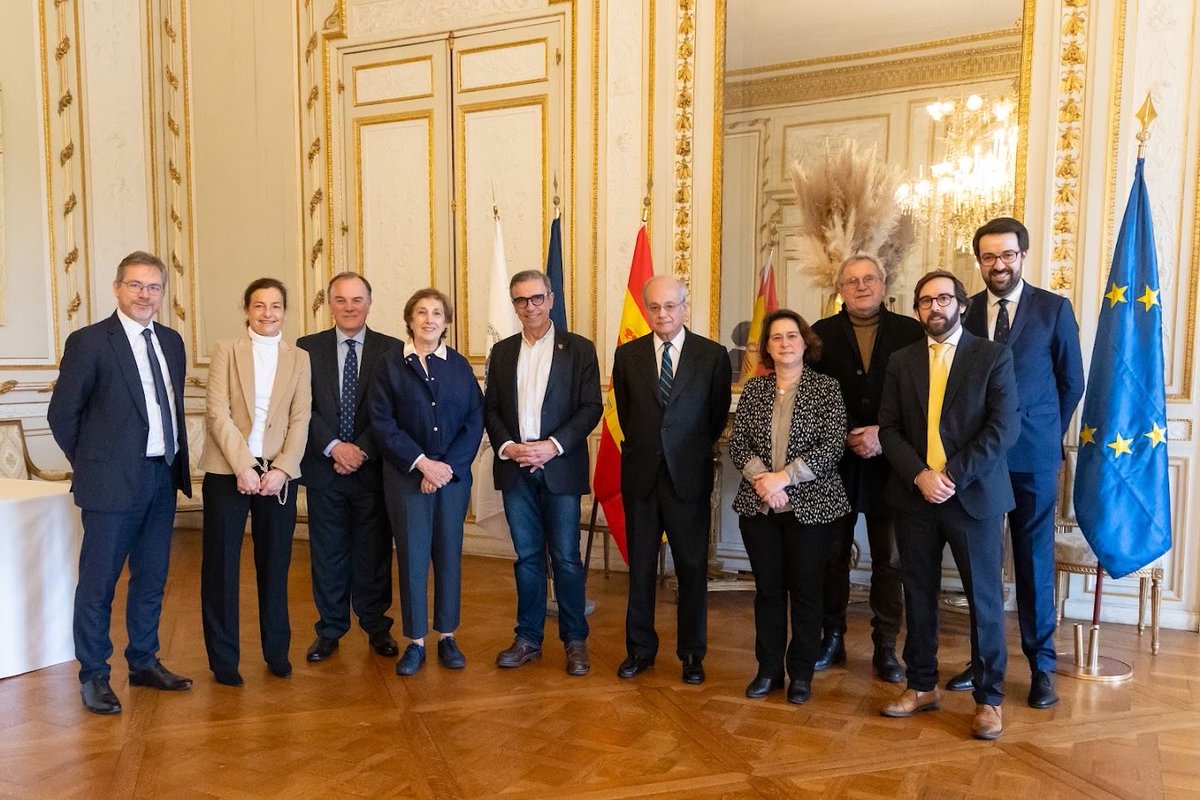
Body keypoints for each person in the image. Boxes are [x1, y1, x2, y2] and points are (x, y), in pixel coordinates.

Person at [943, 218, 1084, 707]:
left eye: (1006, 255)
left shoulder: (1053, 309)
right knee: (980, 567)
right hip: (977, 460)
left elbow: (1072, 383)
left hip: (1033, 459)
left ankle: (1042, 665)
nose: (998, 265)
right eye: (988, 257)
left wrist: (1040, 433)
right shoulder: (966, 311)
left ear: (1023, 255)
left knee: (1033, 562)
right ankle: (983, 661)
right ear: (978, 261)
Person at [48, 251, 194, 715]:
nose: (144, 295)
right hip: (110, 484)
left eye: (153, 287)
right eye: (135, 285)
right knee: (99, 583)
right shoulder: (90, 342)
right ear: (116, 288)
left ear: (162, 293)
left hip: (160, 476)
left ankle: (143, 661)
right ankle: (93, 674)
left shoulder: (171, 341)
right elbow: (62, 414)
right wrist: (93, 463)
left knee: (151, 578)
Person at [877, 269, 1019, 740]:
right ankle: (921, 686)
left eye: (942, 298)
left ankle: (989, 699)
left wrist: (950, 476)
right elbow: (889, 429)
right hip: (916, 496)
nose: (933, 307)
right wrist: (920, 475)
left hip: (973, 495)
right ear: (916, 309)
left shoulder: (992, 355)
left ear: (960, 303)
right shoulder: (902, 360)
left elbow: (1003, 429)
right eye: (924, 301)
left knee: (983, 600)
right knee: (918, 594)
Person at [810, 254, 924, 683]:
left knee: (889, 560)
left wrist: (883, 433)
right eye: (852, 280)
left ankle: (884, 646)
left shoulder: (911, 332)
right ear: (840, 288)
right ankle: (832, 637)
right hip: (833, 464)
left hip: (892, 465)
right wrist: (844, 433)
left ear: (884, 283)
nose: (861, 286)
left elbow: (924, 400)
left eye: (869, 278)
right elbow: (810, 399)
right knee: (831, 556)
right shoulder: (818, 335)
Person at [612, 275, 732, 685]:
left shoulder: (712, 356)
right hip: (642, 478)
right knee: (641, 567)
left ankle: (692, 654)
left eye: (670, 306)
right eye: (655, 308)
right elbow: (626, 415)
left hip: (688, 478)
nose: (662, 315)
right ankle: (640, 650)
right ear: (646, 310)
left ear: (685, 306)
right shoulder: (627, 356)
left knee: (692, 567)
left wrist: (683, 450)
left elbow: (714, 417)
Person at [484, 269, 602, 676]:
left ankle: (575, 641)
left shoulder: (580, 349)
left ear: (551, 299)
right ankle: (528, 638)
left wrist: (550, 447)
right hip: (516, 468)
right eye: (520, 300)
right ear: (513, 304)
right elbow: (492, 410)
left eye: (536, 298)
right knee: (528, 558)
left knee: (567, 559)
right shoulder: (501, 352)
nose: (529, 307)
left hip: (560, 468)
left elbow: (591, 408)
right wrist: (508, 447)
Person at [729, 309, 850, 704]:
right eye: (776, 337)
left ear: (805, 342)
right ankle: (768, 671)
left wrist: (786, 478)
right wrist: (765, 481)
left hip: (812, 509)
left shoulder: (826, 388)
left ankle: (800, 675)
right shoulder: (754, 390)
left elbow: (833, 445)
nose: (784, 343)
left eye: (791, 336)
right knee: (767, 592)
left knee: (806, 592)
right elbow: (738, 443)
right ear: (767, 346)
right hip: (761, 508)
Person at [199, 278, 312, 687]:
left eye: (276, 306)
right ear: (246, 309)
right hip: (228, 469)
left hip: (279, 473)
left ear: (285, 311)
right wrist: (244, 466)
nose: (268, 313)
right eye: (259, 305)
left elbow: (301, 419)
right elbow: (217, 413)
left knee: (276, 563)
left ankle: (276, 651)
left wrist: (281, 469)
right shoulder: (226, 350)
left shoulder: (299, 358)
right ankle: (224, 659)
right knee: (221, 566)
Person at [370, 288, 483, 675]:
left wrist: (445, 469)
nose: (429, 319)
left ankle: (447, 637)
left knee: (449, 554)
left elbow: (474, 420)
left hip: (451, 480)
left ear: (446, 323)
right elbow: (383, 424)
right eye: (422, 312)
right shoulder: (389, 365)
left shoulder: (459, 366)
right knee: (413, 557)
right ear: (410, 320)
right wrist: (422, 465)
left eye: (437, 313)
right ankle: (415, 641)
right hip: (406, 479)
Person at [297, 272, 401, 665]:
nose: (349, 307)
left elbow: (392, 410)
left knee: (374, 553)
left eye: (357, 300)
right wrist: (334, 447)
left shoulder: (391, 349)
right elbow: (301, 407)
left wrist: (360, 450)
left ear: (369, 303)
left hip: (372, 469)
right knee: (327, 553)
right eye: (341, 300)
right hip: (324, 468)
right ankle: (329, 629)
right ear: (330, 304)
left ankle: (377, 626)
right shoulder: (307, 348)